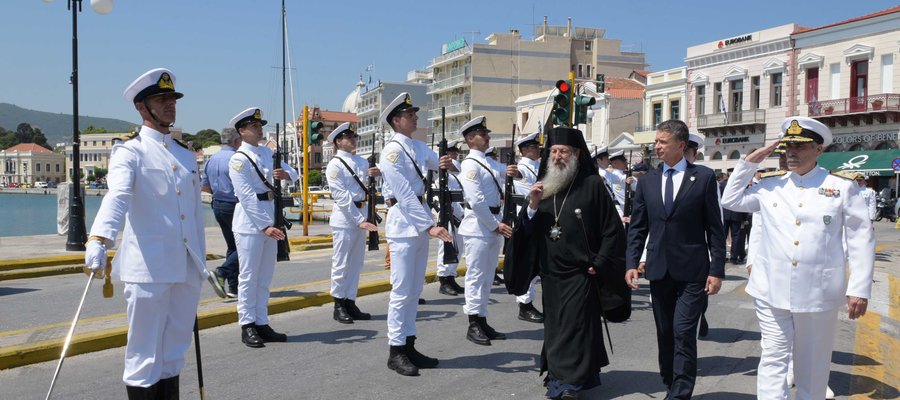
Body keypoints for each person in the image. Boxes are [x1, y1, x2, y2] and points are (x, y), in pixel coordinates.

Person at [721, 117, 873, 400]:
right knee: (773, 357)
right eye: (787, 146)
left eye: (800, 147)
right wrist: (748, 164)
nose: (791, 152)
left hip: (819, 292)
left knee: (813, 363)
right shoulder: (769, 186)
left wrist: (859, 289)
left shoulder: (841, 186)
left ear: (818, 149)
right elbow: (730, 201)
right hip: (770, 289)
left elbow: (861, 238)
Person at [84, 68, 208, 398]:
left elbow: (195, 214)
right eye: (161, 99)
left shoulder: (184, 154)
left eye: (172, 99)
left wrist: (200, 264)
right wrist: (100, 238)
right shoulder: (130, 152)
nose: (170, 104)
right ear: (142, 107)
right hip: (149, 269)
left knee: (173, 354)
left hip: (186, 267)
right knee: (143, 356)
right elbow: (119, 196)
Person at [506, 126, 627, 400]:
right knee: (556, 327)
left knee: (575, 326)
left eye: (564, 151)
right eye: (554, 151)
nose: (558, 156)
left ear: (576, 154)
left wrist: (601, 261)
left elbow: (612, 229)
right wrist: (533, 205)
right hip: (551, 273)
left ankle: (567, 382)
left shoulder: (592, 185)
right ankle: (566, 375)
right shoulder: (544, 186)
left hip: (580, 272)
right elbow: (527, 231)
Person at [625, 119, 725, 399]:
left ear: (680, 145)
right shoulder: (647, 182)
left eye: (662, 142)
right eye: (656, 142)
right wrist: (631, 263)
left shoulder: (703, 178)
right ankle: (670, 379)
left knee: (683, 330)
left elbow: (715, 229)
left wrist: (717, 270)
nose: (656, 146)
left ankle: (680, 392)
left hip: (693, 271)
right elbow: (638, 228)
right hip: (659, 270)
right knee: (665, 331)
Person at [378, 92, 454, 376]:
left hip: (419, 222)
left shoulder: (419, 147)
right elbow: (405, 195)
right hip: (404, 223)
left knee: (414, 290)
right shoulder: (391, 152)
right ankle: (395, 350)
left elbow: (441, 164)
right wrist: (429, 225)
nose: (415, 118)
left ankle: (409, 344)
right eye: (410, 115)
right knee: (401, 290)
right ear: (396, 121)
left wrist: (448, 163)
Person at [228, 107, 298, 348]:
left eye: (260, 125)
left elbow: (294, 173)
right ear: (242, 130)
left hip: (271, 214)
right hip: (251, 222)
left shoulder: (268, 154)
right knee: (248, 276)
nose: (259, 129)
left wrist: (285, 174)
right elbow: (246, 195)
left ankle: (261, 321)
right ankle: (247, 324)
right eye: (255, 126)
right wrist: (265, 225)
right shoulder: (238, 159)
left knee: (265, 275)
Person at [456, 116, 512, 346]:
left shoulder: (486, 162)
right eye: (482, 134)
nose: (487, 137)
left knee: (488, 277)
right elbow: (475, 200)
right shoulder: (470, 164)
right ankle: (473, 323)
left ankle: (482, 318)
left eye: (487, 134)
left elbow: (503, 171)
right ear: (470, 139)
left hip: (490, 224)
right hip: (479, 226)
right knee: (476, 276)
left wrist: (512, 170)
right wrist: (494, 224)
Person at [325, 122, 380, 323]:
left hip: (362, 215)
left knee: (356, 263)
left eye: (355, 136)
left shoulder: (361, 161)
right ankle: (338, 303)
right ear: (339, 141)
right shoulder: (335, 165)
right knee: (341, 263)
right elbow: (341, 196)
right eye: (349, 137)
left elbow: (374, 173)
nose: (354, 139)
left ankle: (350, 300)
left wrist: (377, 172)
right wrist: (359, 221)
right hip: (345, 219)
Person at [201, 127, 242, 299]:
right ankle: (221, 272)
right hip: (234, 205)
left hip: (217, 204)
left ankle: (233, 287)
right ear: (236, 141)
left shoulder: (211, 160)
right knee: (245, 246)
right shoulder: (235, 158)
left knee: (232, 246)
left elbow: (205, 187)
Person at [509, 131, 544, 323]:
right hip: (528, 218)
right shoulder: (522, 169)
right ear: (524, 150)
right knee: (528, 261)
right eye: (533, 146)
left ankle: (529, 302)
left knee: (536, 263)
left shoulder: (538, 165)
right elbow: (527, 195)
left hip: (539, 218)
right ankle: (525, 304)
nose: (537, 148)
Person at [435, 140, 466, 296]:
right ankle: (444, 280)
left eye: (455, 153)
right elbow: (436, 198)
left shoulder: (457, 174)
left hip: (461, 215)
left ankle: (451, 277)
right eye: (451, 153)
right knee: (445, 248)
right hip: (448, 215)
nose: (454, 156)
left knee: (458, 248)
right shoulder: (440, 176)